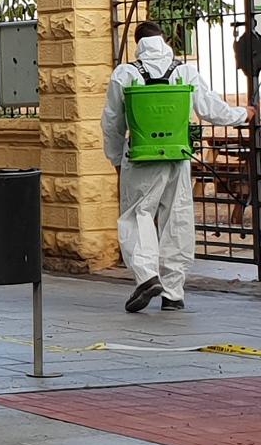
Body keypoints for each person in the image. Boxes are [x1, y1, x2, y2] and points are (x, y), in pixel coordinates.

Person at [102, 21, 255, 313]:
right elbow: (211, 109)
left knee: (137, 216)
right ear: (164, 41)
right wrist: (243, 114)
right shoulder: (184, 70)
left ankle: (147, 277)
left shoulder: (125, 73)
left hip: (140, 157)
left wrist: (116, 159)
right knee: (177, 218)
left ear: (138, 44)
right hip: (177, 156)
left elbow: (112, 123)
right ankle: (173, 291)